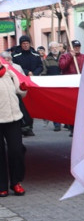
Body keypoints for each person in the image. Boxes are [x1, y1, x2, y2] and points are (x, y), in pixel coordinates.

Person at [0, 57, 28, 197]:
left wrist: (23, 88)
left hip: (13, 118)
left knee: (16, 151)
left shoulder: (10, 73)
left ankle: (16, 182)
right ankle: (1, 186)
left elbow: (21, 92)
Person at [8, 35, 42, 136]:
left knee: (31, 104)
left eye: (27, 43)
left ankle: (29, 126)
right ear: (21, 44)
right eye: (24, 44)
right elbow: (15, 68)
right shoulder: (15, 55)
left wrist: (34, 73)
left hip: (33, 82)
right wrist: (27, 72)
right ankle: (22, 127)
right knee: (21, 104)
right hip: (20, 83)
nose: (26, 45)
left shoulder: (35, 54)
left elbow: (40, 66)